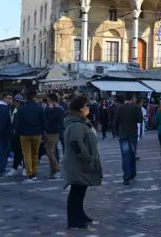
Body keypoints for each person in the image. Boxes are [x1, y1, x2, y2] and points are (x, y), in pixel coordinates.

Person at [63, 96, 102, 230]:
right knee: (76, 191)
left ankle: (79, 214)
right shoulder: (75, 124)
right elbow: (77, 144)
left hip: (80, 163)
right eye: (87, 105)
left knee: (80, 190)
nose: (89, 107)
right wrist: (88, 160)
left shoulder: (81, 122)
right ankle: (74, 220)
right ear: (81, 108)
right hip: (78, 163)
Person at [15, 91, 46, 182]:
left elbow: (18, 124)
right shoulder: (39, 108)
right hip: (36, 133)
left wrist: (17, 134)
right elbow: (43, 122)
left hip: (24, 134)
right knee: (35, 154)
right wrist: (43, 133)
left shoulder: (21, 108)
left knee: (26, 154)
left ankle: (29, 173)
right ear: (34, 97)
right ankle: (34, 171)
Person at [115, 95, 142, 185]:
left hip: (123, 135)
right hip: (133, 134)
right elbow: (140, 120)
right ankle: (133, 173)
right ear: (132, 99)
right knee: (132, 154)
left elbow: (116, 121)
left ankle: (126, 176)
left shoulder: (120, 107)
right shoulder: (136, 107)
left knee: (125, 154)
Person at [0, 93, 14, 175]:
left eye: (11, 98)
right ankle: (1, 168)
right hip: (4, 134)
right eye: (9, 98)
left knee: (4, 151)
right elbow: (2, 123)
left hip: (1, 133)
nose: (10, 100)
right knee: (3, 151)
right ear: (4, 98)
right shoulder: (3, 108)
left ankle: (1, 167)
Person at [45, 93, 64, 179]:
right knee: (49, 152)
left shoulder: (59, 110)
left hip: (54, 132)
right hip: (48, 132)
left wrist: (51, 109)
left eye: (48, 100)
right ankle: (52, 171)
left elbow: (54, 120)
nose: (47, 102)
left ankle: (57, 170)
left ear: (52, 101)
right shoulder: (48, 109)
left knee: (50, 152)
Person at [6, 95, 24, 177]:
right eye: (16, 101)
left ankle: (19, 167)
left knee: (21, 152)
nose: (17, 103)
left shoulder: (22, 109)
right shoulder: (12, 108)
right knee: (16, 151)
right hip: (14, 134)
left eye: (18, 101)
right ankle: (17, 166)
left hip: (21, 133)